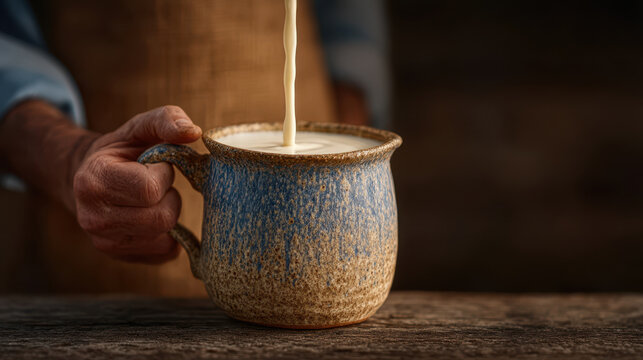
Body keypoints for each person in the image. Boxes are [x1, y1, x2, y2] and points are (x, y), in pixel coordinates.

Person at [0, 0, 389, 275]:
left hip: (309, 99)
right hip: (91, 254)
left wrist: (350, 154)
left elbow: (348, 22)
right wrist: (72, 157)